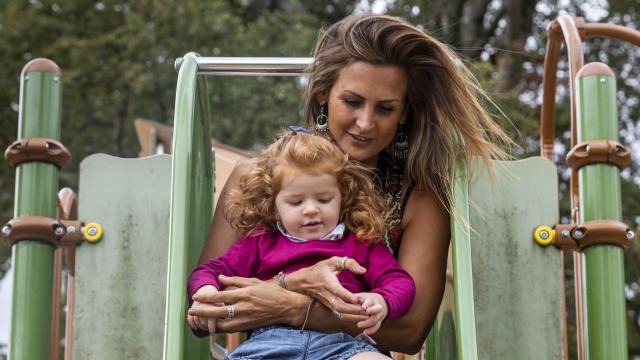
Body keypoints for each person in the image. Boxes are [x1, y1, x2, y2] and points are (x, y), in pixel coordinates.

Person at [188, 14, 511, 354]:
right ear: (324, 94)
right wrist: (292, 282)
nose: (365, 123)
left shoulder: (418, 198)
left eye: (385, 108)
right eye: (353, 102)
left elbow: (410, 331)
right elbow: (202, 311)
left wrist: (294, 307)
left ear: (404, 113)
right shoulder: (257, 178)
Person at [188, 130, 416, 359]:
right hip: (270, 343)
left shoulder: (360, 242)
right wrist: (205, 289)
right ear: (275, 208)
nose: (311, 209)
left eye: (324, 199)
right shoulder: (259, 242)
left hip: (342, 344)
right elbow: (210, 270)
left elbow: (398, 280)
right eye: (296, 202)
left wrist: (382, 300)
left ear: (342, 197)